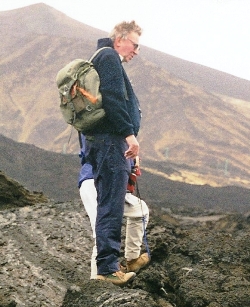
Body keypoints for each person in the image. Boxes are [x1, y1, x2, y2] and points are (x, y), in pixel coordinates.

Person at [84, 21, 143, 286]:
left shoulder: (102, 57)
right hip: (110, 142)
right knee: (111, 204)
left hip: (105, 142)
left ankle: (109, 266)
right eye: (135, 44)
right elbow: (114, 98)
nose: (137, 51)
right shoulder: (109, 57)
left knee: (111, 202)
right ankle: (108, 270)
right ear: (119, 39)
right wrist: (129, 135)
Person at [78, 134, 150, 280]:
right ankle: (98, 283)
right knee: (102, 231)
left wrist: (130, 161)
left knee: (140, 210)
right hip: (98, 180)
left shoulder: (94, 124)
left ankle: (132, 260)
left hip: (100, 179)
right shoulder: (113, 126)